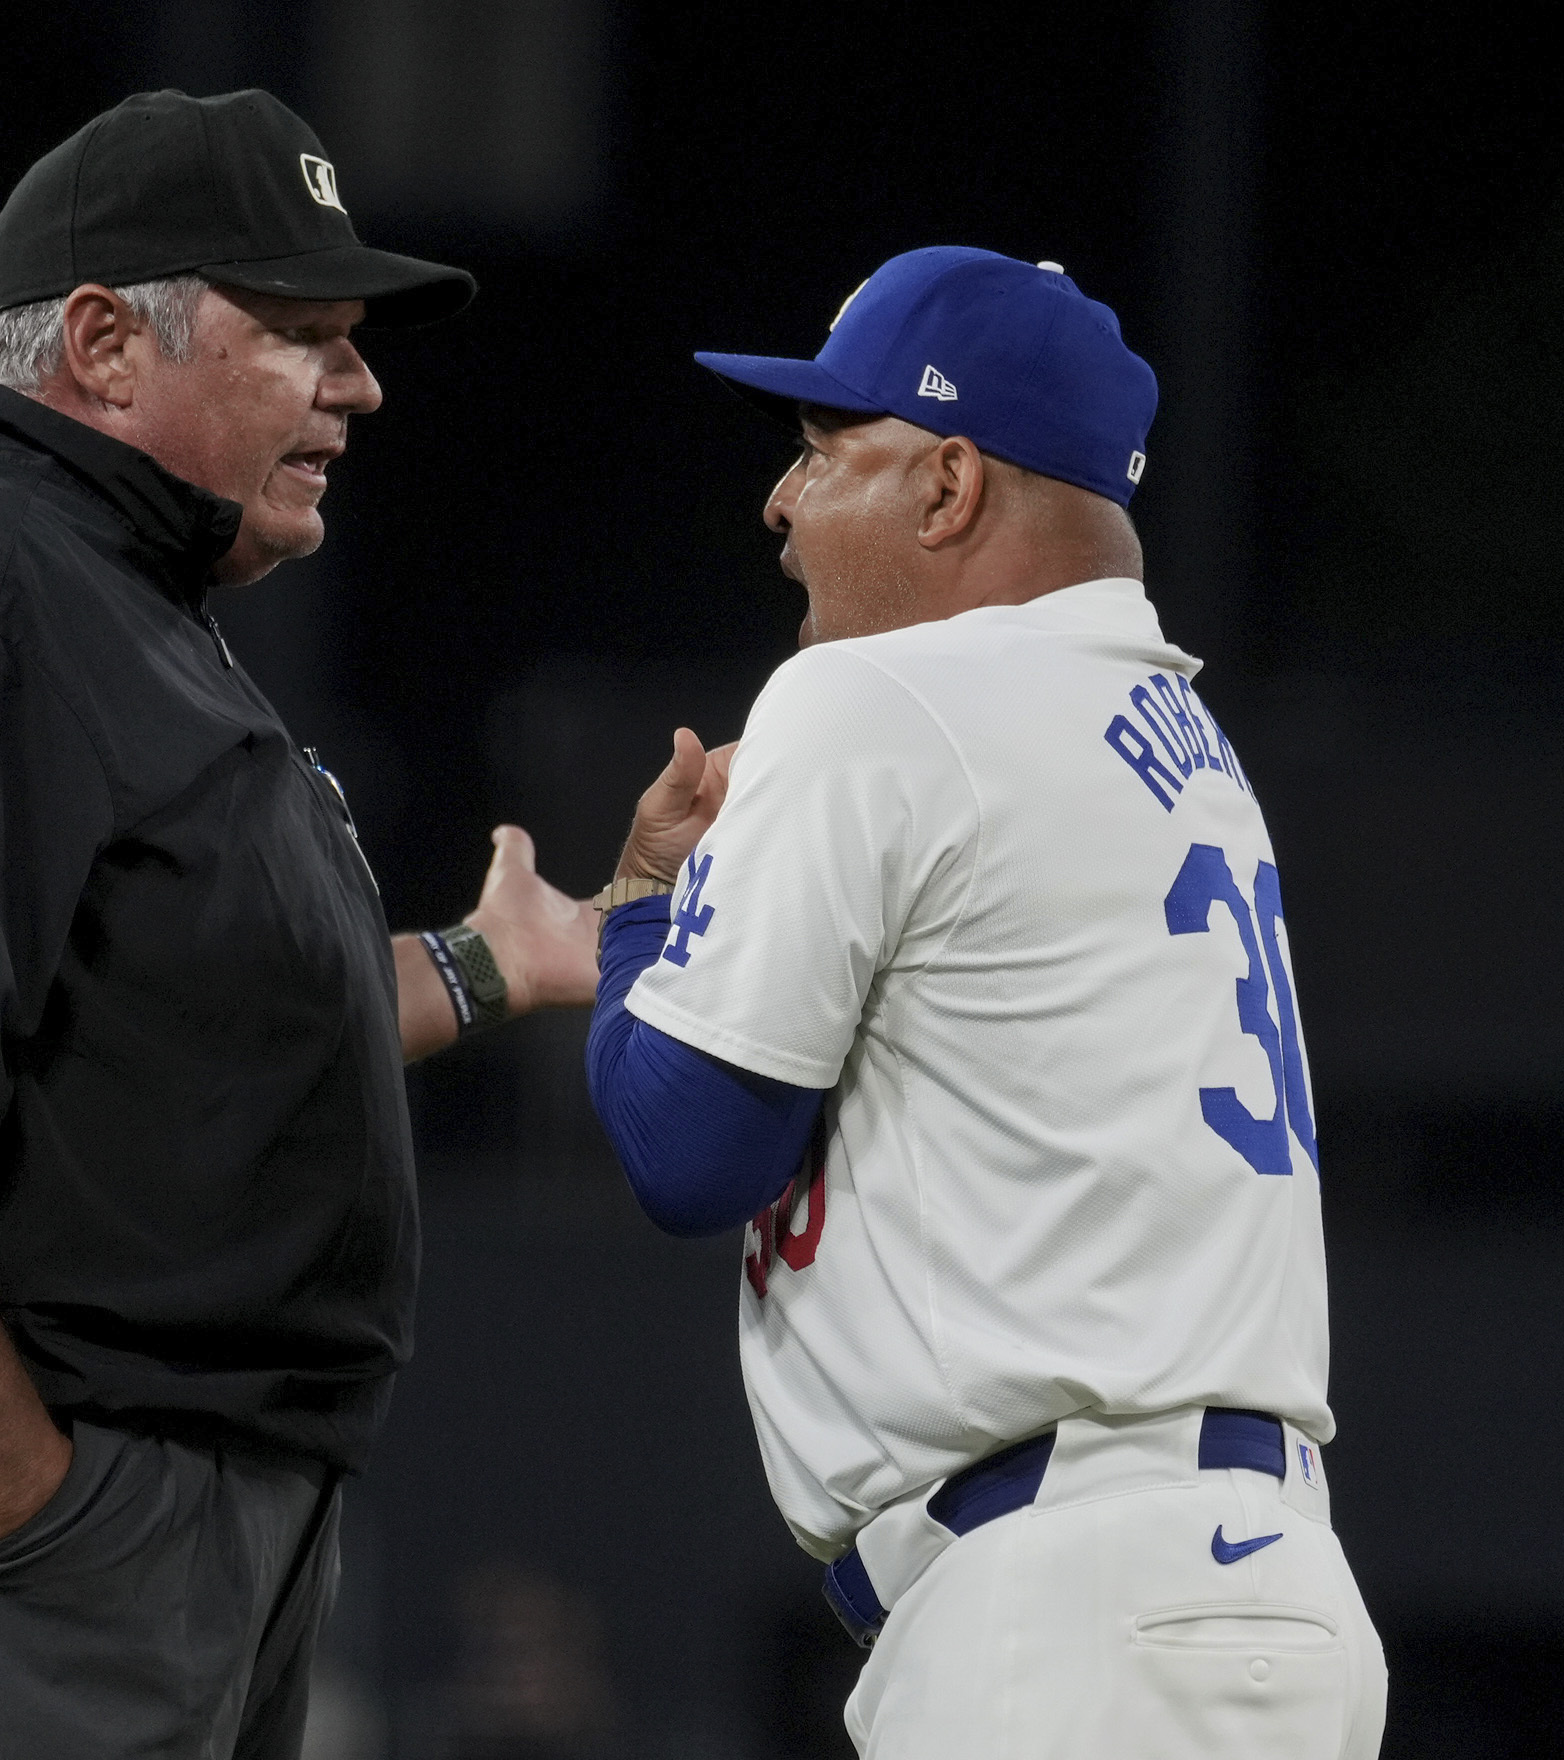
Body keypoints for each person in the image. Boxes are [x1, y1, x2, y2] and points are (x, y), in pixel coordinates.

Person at [0, 88, 595, 1759]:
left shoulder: (104, 597)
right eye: (303, 334)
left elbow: (188, 1036)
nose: (358, 385)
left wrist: (492, 963)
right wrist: (14, 1479)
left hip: (111, 1486)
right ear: (101, 345)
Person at [583, 247, 1386, 1757]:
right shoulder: (1191, 745)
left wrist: (638, 913)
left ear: (947, 486)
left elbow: (686, 1149)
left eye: (826, 449)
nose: (780, 501)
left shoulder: (880, 695)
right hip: (1272, 1596)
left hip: (1061, 1607)